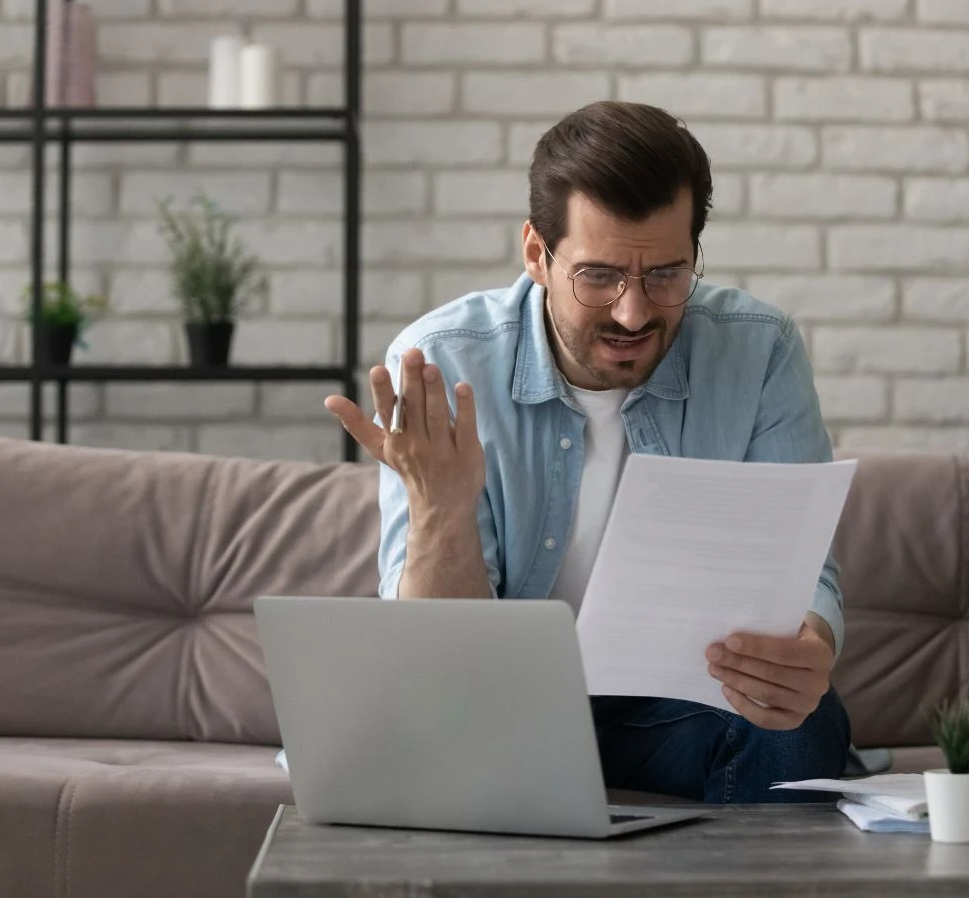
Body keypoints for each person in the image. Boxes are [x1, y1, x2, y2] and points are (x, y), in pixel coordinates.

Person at [325, 100, 851, 804]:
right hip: (494, 718)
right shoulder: (444, 364)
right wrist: (441, 511)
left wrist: (807, 650)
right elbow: (437, 663)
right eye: (599, 276)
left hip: (672, 715)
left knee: (803, 729)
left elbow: (806, 570)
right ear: (538, 255)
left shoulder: (758, 350)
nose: (633, 313)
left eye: (665, 275)